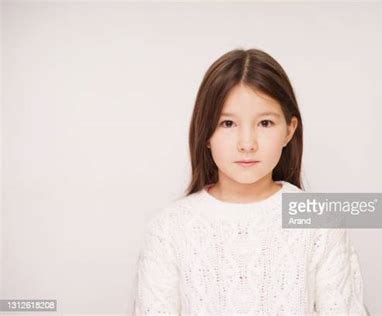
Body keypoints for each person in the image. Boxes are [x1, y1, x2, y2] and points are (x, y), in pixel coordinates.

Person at [133, 48, 368, 315]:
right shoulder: (168, 230)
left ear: (289, 131)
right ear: (205, 133)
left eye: (265, 123)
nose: (247, 144)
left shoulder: (321, 224)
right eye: (228, 124)